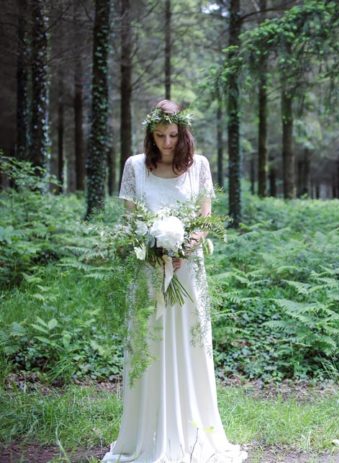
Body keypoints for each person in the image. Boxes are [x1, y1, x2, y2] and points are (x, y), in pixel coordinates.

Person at [102, 100, 248, 463]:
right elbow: (130, 223)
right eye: (160, 136)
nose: (167, 142)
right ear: (150, 134)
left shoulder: (199, 166)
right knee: (150, 343)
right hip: (148, 270)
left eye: (173, 135)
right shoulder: (135, 166)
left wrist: (185, 248)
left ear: (183, 133)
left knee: (188, 343)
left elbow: (205, 219)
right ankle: (146, 435)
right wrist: (151, 248)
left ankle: (193, 433)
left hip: (187, 268)